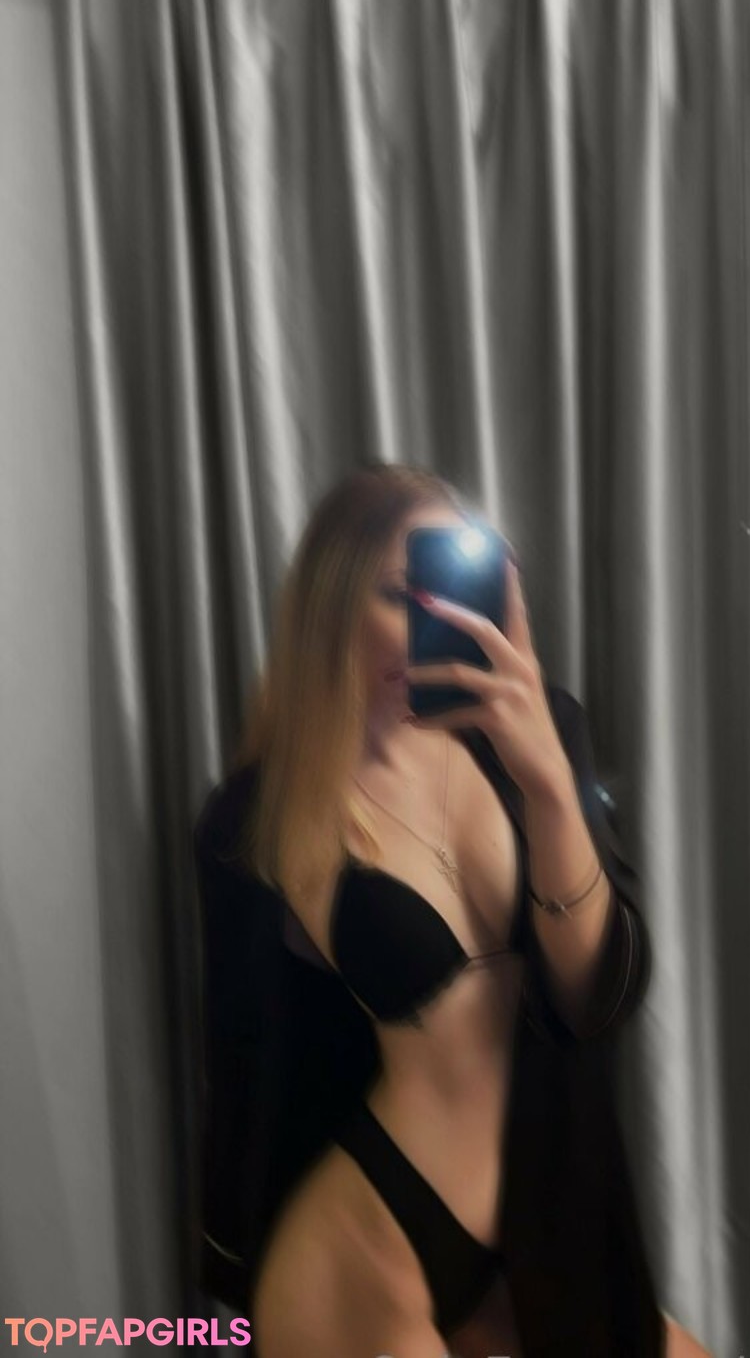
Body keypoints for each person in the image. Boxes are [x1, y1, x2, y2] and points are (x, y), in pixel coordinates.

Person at [193, 462, 713, 1356]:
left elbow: (597, 997)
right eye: (402, 595)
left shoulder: (542, 733)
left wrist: (546, 781)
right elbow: (248, 1064)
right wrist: (225, 1283)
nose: (437, 623)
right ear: (331, 604)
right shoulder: (259, 813)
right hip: (373, 1237)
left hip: (550, 1215)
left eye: (455, 594)